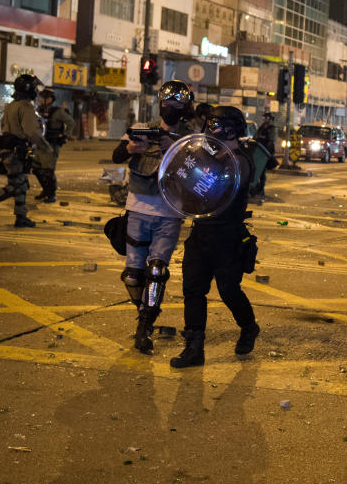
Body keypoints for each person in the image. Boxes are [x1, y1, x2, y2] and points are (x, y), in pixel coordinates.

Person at [171, 106, 260, 368]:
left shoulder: (241, 160)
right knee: (193, 290)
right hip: (201, 231)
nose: (212, 129)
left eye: (216, 124)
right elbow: (182, 179)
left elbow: (220, 189)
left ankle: (248, 326)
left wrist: (209, 160)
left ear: (231, 128)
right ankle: (194, 348)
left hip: (228, 237)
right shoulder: (205, 153)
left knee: (228, 290)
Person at [111, 80, 195, 354]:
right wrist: (131, 149)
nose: (170, 108)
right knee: (133, 276)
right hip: (138, 208)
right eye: (166, 102)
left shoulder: (190, 138)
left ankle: (144, 326)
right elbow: (115, 155)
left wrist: (173, 149)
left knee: (157, 270)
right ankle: (146, 309)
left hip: (169, 212)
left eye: (177, 104)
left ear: (186, 107)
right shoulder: (142, 130)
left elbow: (200, 171)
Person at [0, 75, 49, 228]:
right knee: (18, 185)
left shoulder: (11, 106)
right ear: (29, 89)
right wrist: (46, 148)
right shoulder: (26, 107)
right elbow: (32, 131)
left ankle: (21, 216)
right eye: (34, 88)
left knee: (20, 184)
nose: (36, 91)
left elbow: (3, 127)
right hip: (16, 151)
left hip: (7, 150)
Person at [31, 89, 75, 203]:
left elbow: (71, 122)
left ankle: (51, 194)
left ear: (51, 99)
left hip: (52, 145)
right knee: (36, 169)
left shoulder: (57, 112)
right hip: (40, 144)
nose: (42, 100)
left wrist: (65, 136)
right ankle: (45, 190)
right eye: (41, 97)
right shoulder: (38, 111)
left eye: (45, 98)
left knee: (48, 171)